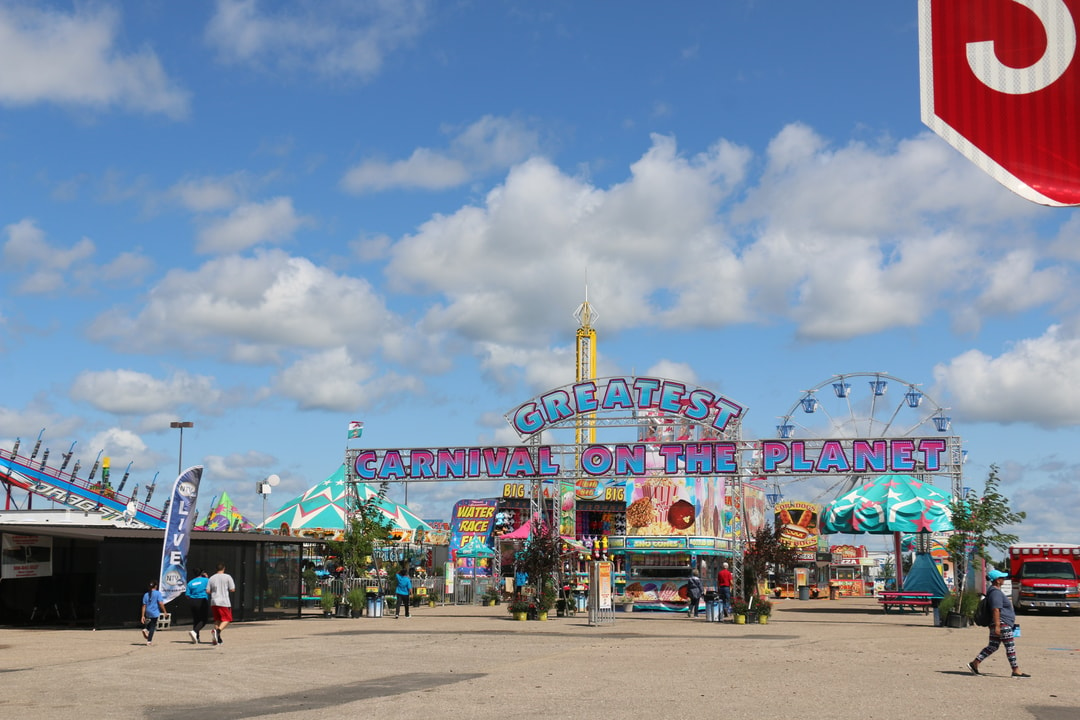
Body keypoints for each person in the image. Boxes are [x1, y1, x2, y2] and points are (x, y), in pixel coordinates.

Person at [968, 568, 1029, 678]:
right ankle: (1016, 670)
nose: (1004, 579)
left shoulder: (993, 591)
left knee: (993, 646)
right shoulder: (995, 593)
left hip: (1000, 623)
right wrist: (997, 626)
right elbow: (996, 609)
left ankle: (975, 663)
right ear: (997, 580)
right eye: (1002, 578)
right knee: (1010, 647)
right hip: (1002, 623)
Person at [207, 562, 235, 646]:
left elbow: (208, 591)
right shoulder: (227, 577)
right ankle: (217, 631)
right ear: (224, 568)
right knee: (227, 619)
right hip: (224, 601)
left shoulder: (211, 578)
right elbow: (232, 589)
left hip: (214, 601)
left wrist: (215, 591)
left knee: (217, 619)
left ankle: (218, 638)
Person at [186, 569, 210, 644]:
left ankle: (196, 637)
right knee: (204, 619)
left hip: (192, 600)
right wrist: (206, 577)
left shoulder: (190, 582)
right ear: (202, 573)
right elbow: (210, 587)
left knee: (196, 619)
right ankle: (194, 631)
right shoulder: (205, 580)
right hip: (202, 600)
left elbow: (187, 595)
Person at [140, 580, 166, 646]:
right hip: (155, 611)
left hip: (148, 611)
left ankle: (146, 629)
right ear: (156, 586)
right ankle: (149, 640)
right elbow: (160, 603)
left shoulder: (146, 594)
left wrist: (143, 615)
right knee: (153, 626)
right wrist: (164, 611)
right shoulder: (158, 593)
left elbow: (144, 605)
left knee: (151, 622)